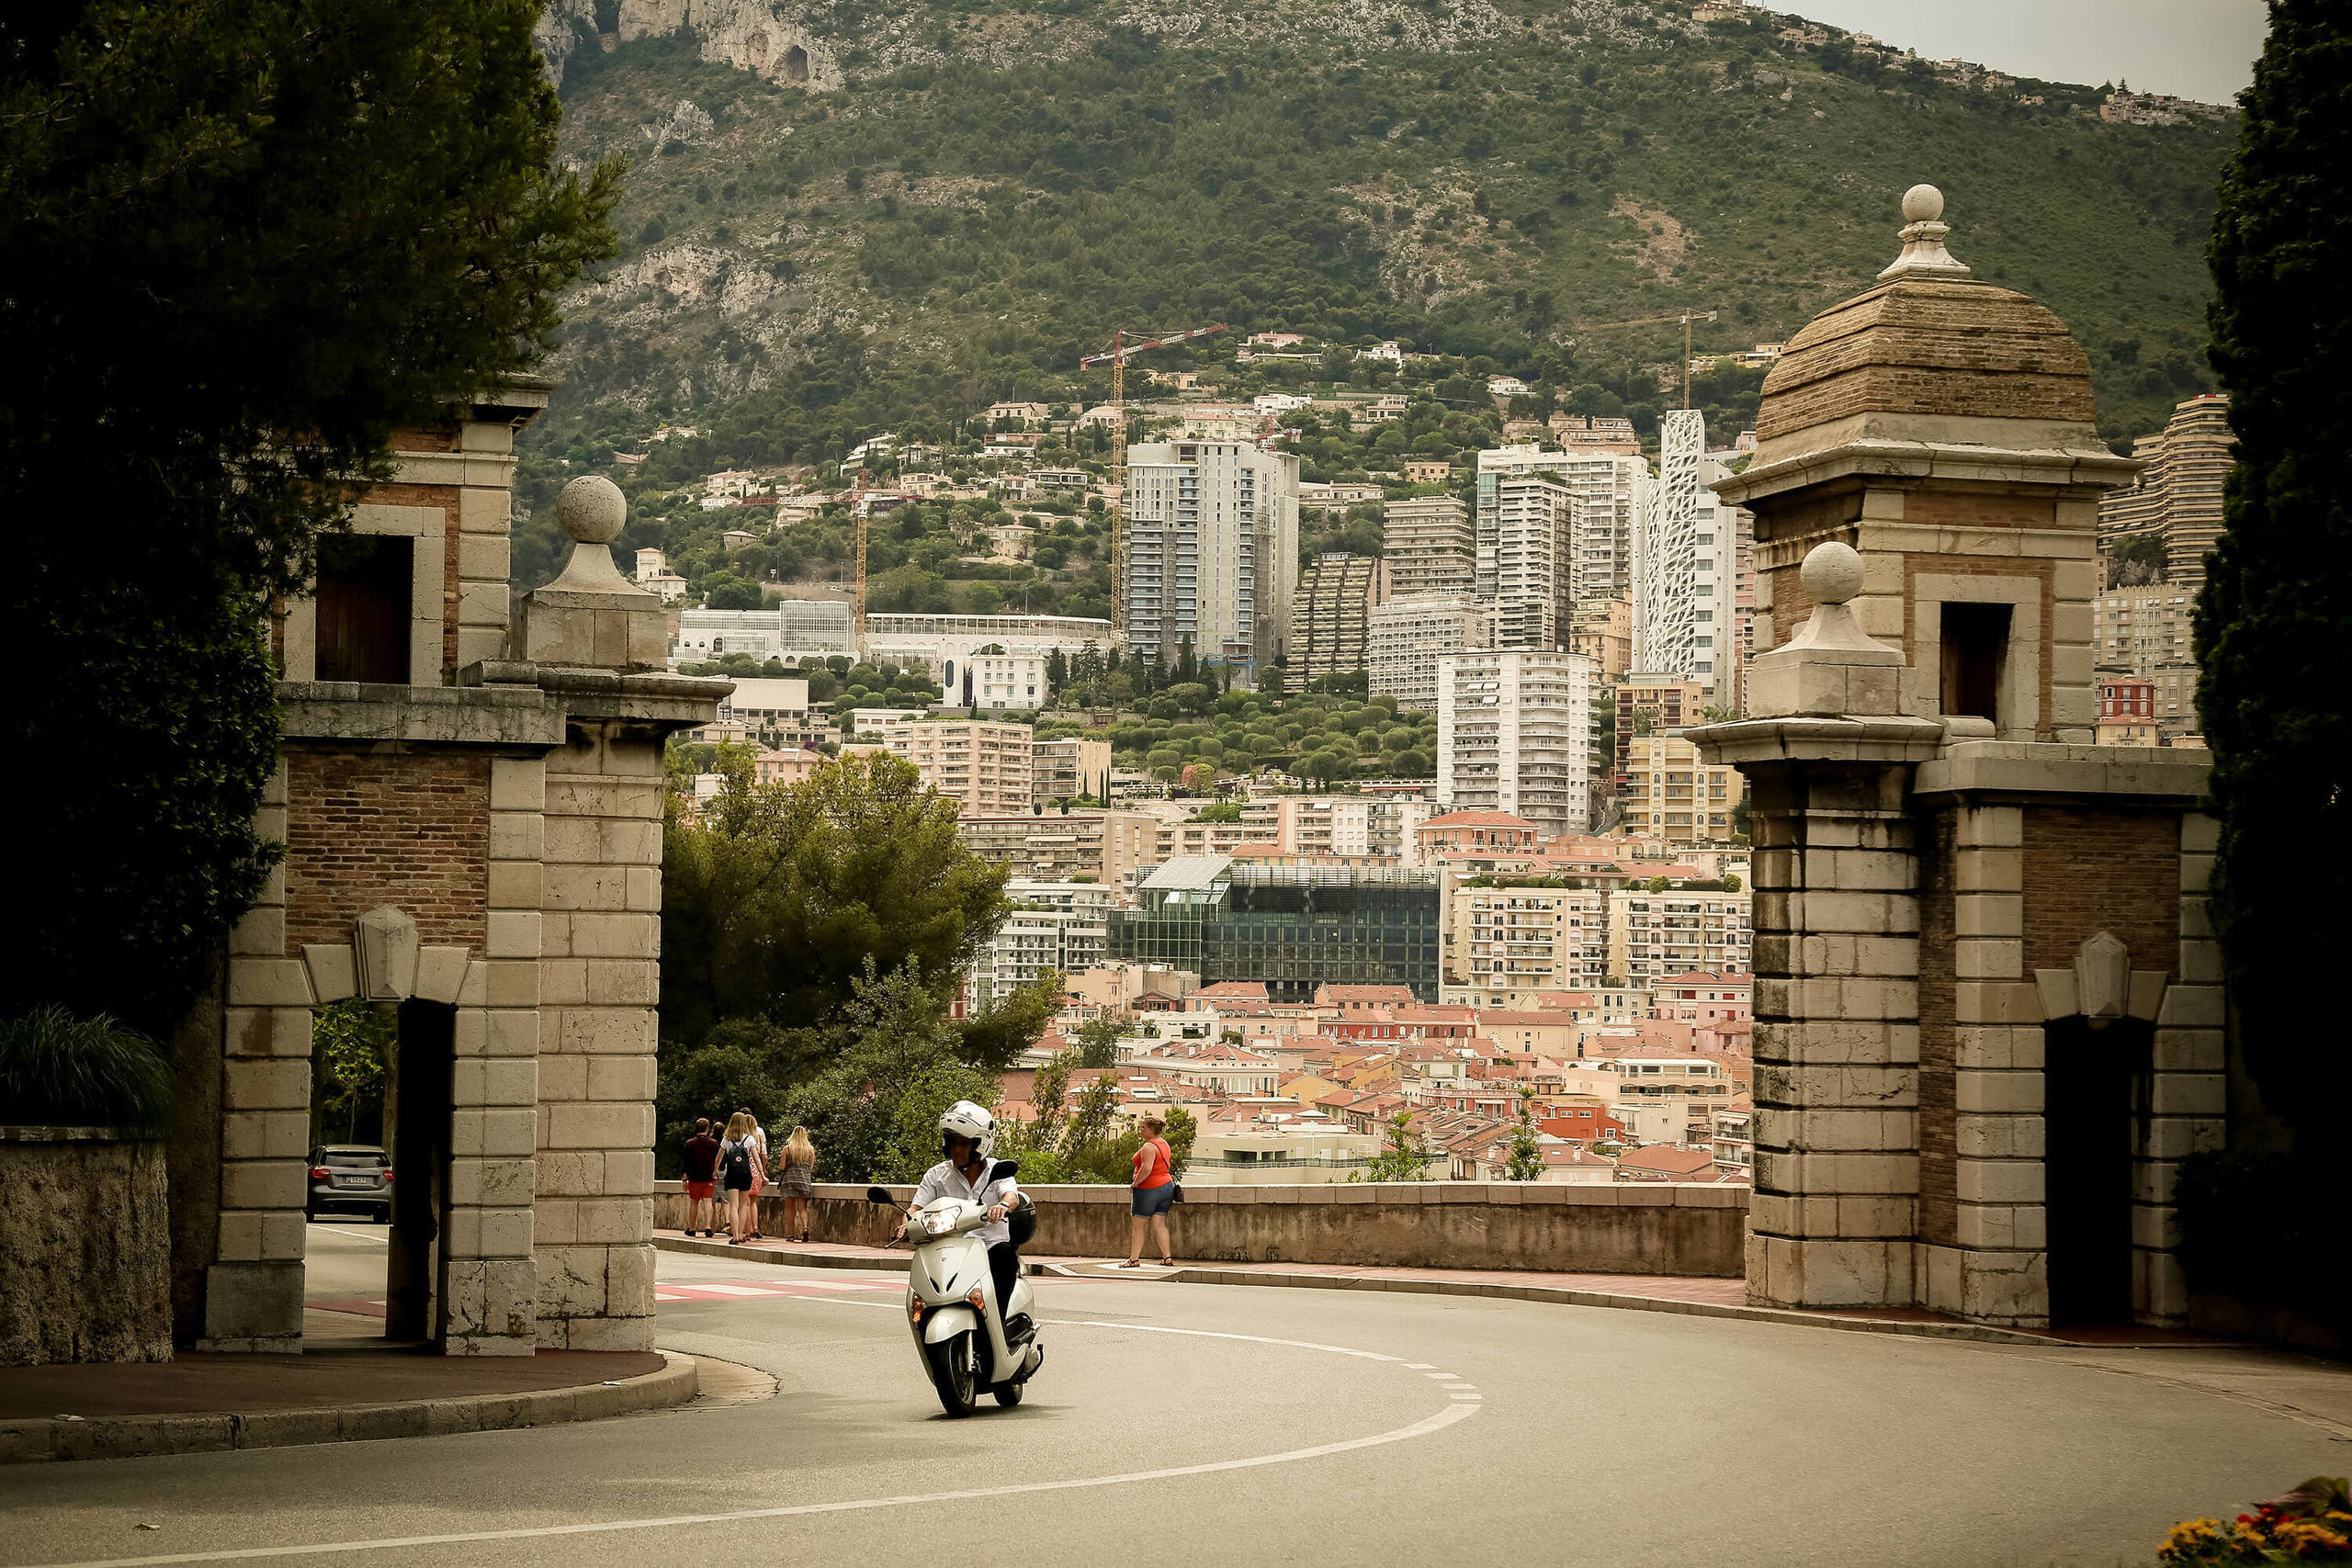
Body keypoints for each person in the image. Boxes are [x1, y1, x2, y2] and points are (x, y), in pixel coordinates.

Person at [899, 1100, 1028, 1322]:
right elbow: (915, 1208)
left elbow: (1010, 1196)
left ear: (979, 1144)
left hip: (989, 1248)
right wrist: (904, 1223)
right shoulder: (936, 1175)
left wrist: (1002, 1206)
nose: (956, 1150)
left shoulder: (997, 1171)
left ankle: (997, 1319)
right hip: (949, 1249)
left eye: (963, 1143)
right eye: (952, 1143)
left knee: (1005, 1255)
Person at [1122, 1114, 1176, 1269]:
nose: (1141, 1130)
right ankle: (1167, 1257)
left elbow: (1147, 1168)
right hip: (1167, 1187)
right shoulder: (1164, 1144)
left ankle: (1134, 1259)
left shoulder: (1148, 1147)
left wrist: (1135, 1183)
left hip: (1149, 1189)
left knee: (1139, 1226)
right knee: (1159, 1224)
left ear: (1151, 1130)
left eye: (1143, 1127)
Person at [718, 1111, 758, 1244]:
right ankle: (741, 1234)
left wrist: (715, 1170)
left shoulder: (726, 1139)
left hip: (732, 1174)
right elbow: (756, 1157)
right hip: (745, 1174)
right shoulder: (750, 1139)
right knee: (744, 1205)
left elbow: (719, 1157)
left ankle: (734, 1235)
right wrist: (762, 1173)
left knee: (733, 1205)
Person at [680, 1119, 720, 1237]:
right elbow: (717, 1159)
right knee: (708, 1201)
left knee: (694, 1202)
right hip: (709, 1176)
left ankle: (692, 1228)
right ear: (707, 1129)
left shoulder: (689, 1143)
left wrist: (684, 1178)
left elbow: (685, 1162)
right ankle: (708, 1228)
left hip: (695, 1176)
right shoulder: (714, 1143)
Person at [777, 1125, 817, 1243]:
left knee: (789, 1208)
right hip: (804, 1180)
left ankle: (791, 1235)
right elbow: (810, 1167)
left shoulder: (787, 1149)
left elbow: (782, 1167)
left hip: (789, 1180)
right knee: (802, 1208)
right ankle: (805, 1228)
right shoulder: (810, 1149)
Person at [741, 1109, 771, 1240]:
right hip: (756, 1171)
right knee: (753, 1202)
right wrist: (763, 1170)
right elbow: (764, 1155)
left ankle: (747, 1231)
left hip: (743, 1170)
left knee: (744, 1203)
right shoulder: (759, 1137)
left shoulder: (742, 1137)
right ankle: (755, 1227)